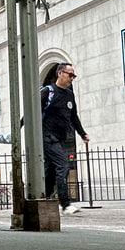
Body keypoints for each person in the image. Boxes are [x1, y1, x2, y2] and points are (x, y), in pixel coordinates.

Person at [42, 63, 89, 216]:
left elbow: (73, 116)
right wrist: (18, 128)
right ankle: (65, 204)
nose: (72, 78)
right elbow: (32, 111)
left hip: (61, 138)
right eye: (70, 75)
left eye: (73, 75)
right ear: (60, 73)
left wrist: (82, 134)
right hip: (47, 137)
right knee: (63, 165)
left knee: (49, 171)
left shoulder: (69, 94)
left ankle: (45, 199)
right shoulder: (47, 92)